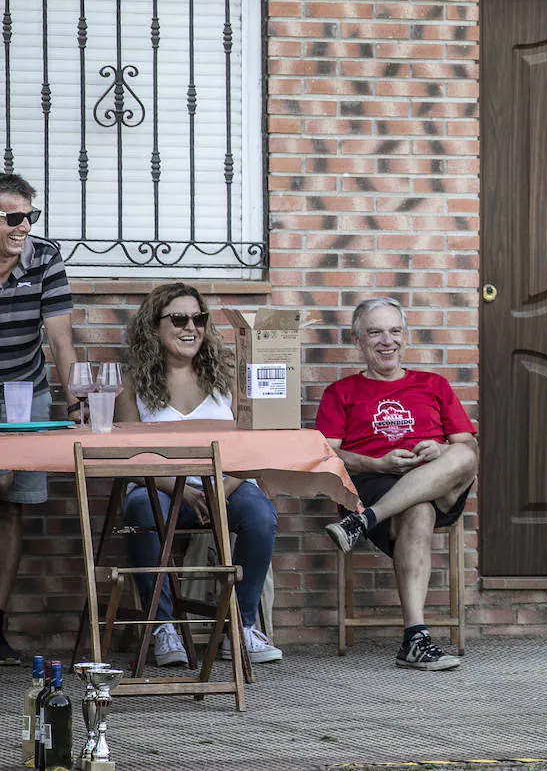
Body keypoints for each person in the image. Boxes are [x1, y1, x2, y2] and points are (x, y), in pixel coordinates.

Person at [113, 283, 283, 665]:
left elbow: (257, 446)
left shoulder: (227, 374)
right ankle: (163, 626)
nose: (191, 327)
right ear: (153, 327)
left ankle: (240, 625)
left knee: (259, 513)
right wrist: (183, 490)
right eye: (178, 319)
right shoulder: (134, 383)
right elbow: (129, 460)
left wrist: (219, 488)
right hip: (161, 487)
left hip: (226, 484)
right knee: (140, 509)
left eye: (198, 318)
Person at [319, 298, 478, 671]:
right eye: (375, 332)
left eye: (394, 331)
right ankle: (416, 639)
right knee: (418, 510)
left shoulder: (433, 385)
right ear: (357, 341)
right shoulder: (340, 392)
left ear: (404, 337)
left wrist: (438, 449)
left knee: (464, 455)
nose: (386, 341)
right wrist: (377, 462)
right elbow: (327, 454)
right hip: (374, 482)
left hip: (437, 482)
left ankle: (362, 522)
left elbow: (467, 445)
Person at [0, 172, 79, 664]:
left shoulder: (44, 257)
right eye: (13, 217)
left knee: (12, 505)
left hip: (25, 393)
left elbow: (61, 340)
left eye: (30, 216)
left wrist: (75, 403)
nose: (24, 226)